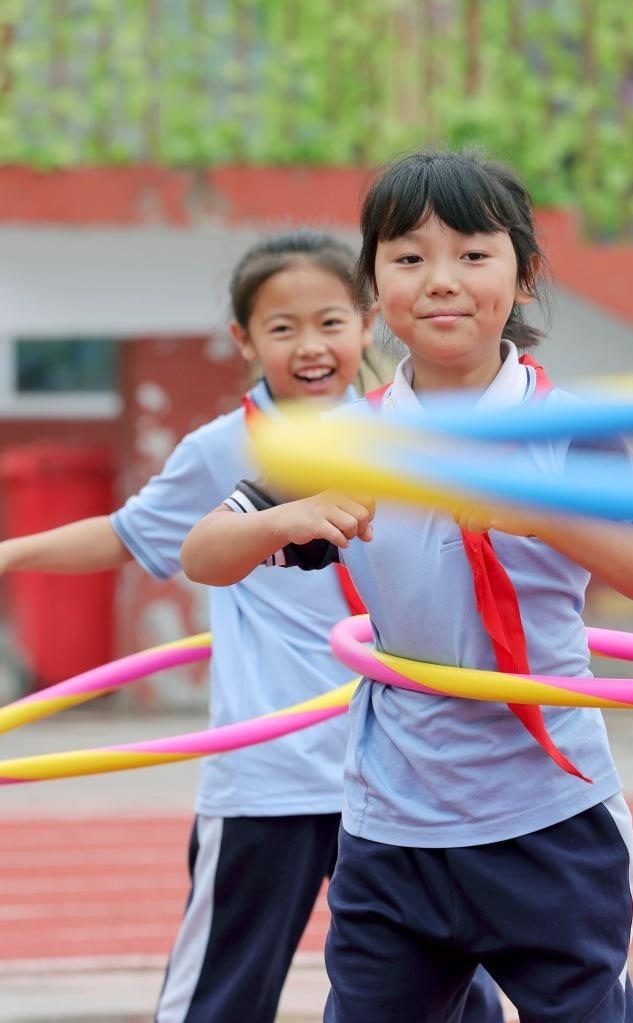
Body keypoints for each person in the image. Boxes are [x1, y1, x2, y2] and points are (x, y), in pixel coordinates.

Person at [180, 148, 633, 1023]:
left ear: (523, 275)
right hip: (392, 824)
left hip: (549, 816)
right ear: (373, 284)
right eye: (408, 257)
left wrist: (544, 514)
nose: (440, 280)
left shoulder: (563, 429)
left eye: (472, 253)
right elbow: (203, 553)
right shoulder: (344, 439)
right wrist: (288, 517)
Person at [0, 228, 504, 1023]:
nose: (310, 346)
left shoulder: (400, 434)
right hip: (271, 773)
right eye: (282, 327)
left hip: (395, 769)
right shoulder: (218, 450)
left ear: (366, 322)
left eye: (330, 322)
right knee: (222, 994)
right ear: (243, 339)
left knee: (442, 987)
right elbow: (129, 535)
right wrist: (9, 553)